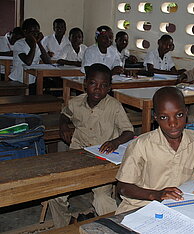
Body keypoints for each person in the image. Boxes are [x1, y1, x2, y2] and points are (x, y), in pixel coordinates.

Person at [115, 86, 194, 214]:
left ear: (186, 112)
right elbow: (122, 187)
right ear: (155, 117)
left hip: (178, 208)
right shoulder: (141, 145)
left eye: (179, 115)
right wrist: (156, 195)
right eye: (164, 117)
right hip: (140, 208)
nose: (173, 123)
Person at [49, 63, 134, 228]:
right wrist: (63, 125)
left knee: (102, 199)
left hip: (103, 159)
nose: (97, 89)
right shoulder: (75, 102)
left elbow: (129, 132)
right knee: (55, 195)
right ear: (85, 84)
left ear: (109, 88)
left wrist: (115, 142)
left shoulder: (114, 106)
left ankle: (116, 229)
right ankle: (65, 227)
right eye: (93, 83)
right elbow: (65, 114)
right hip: (77, 154)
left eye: (103, 86)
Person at [9, 18, 51, 89]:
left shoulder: (38, 45)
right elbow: (28, 62)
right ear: (25, 32)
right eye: (32, 32)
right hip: (17, 81)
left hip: (32, 82)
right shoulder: (19, 44)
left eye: (37, 32)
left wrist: (39, 43)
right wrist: (34, 44)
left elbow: (48, 62)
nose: (35, 34)